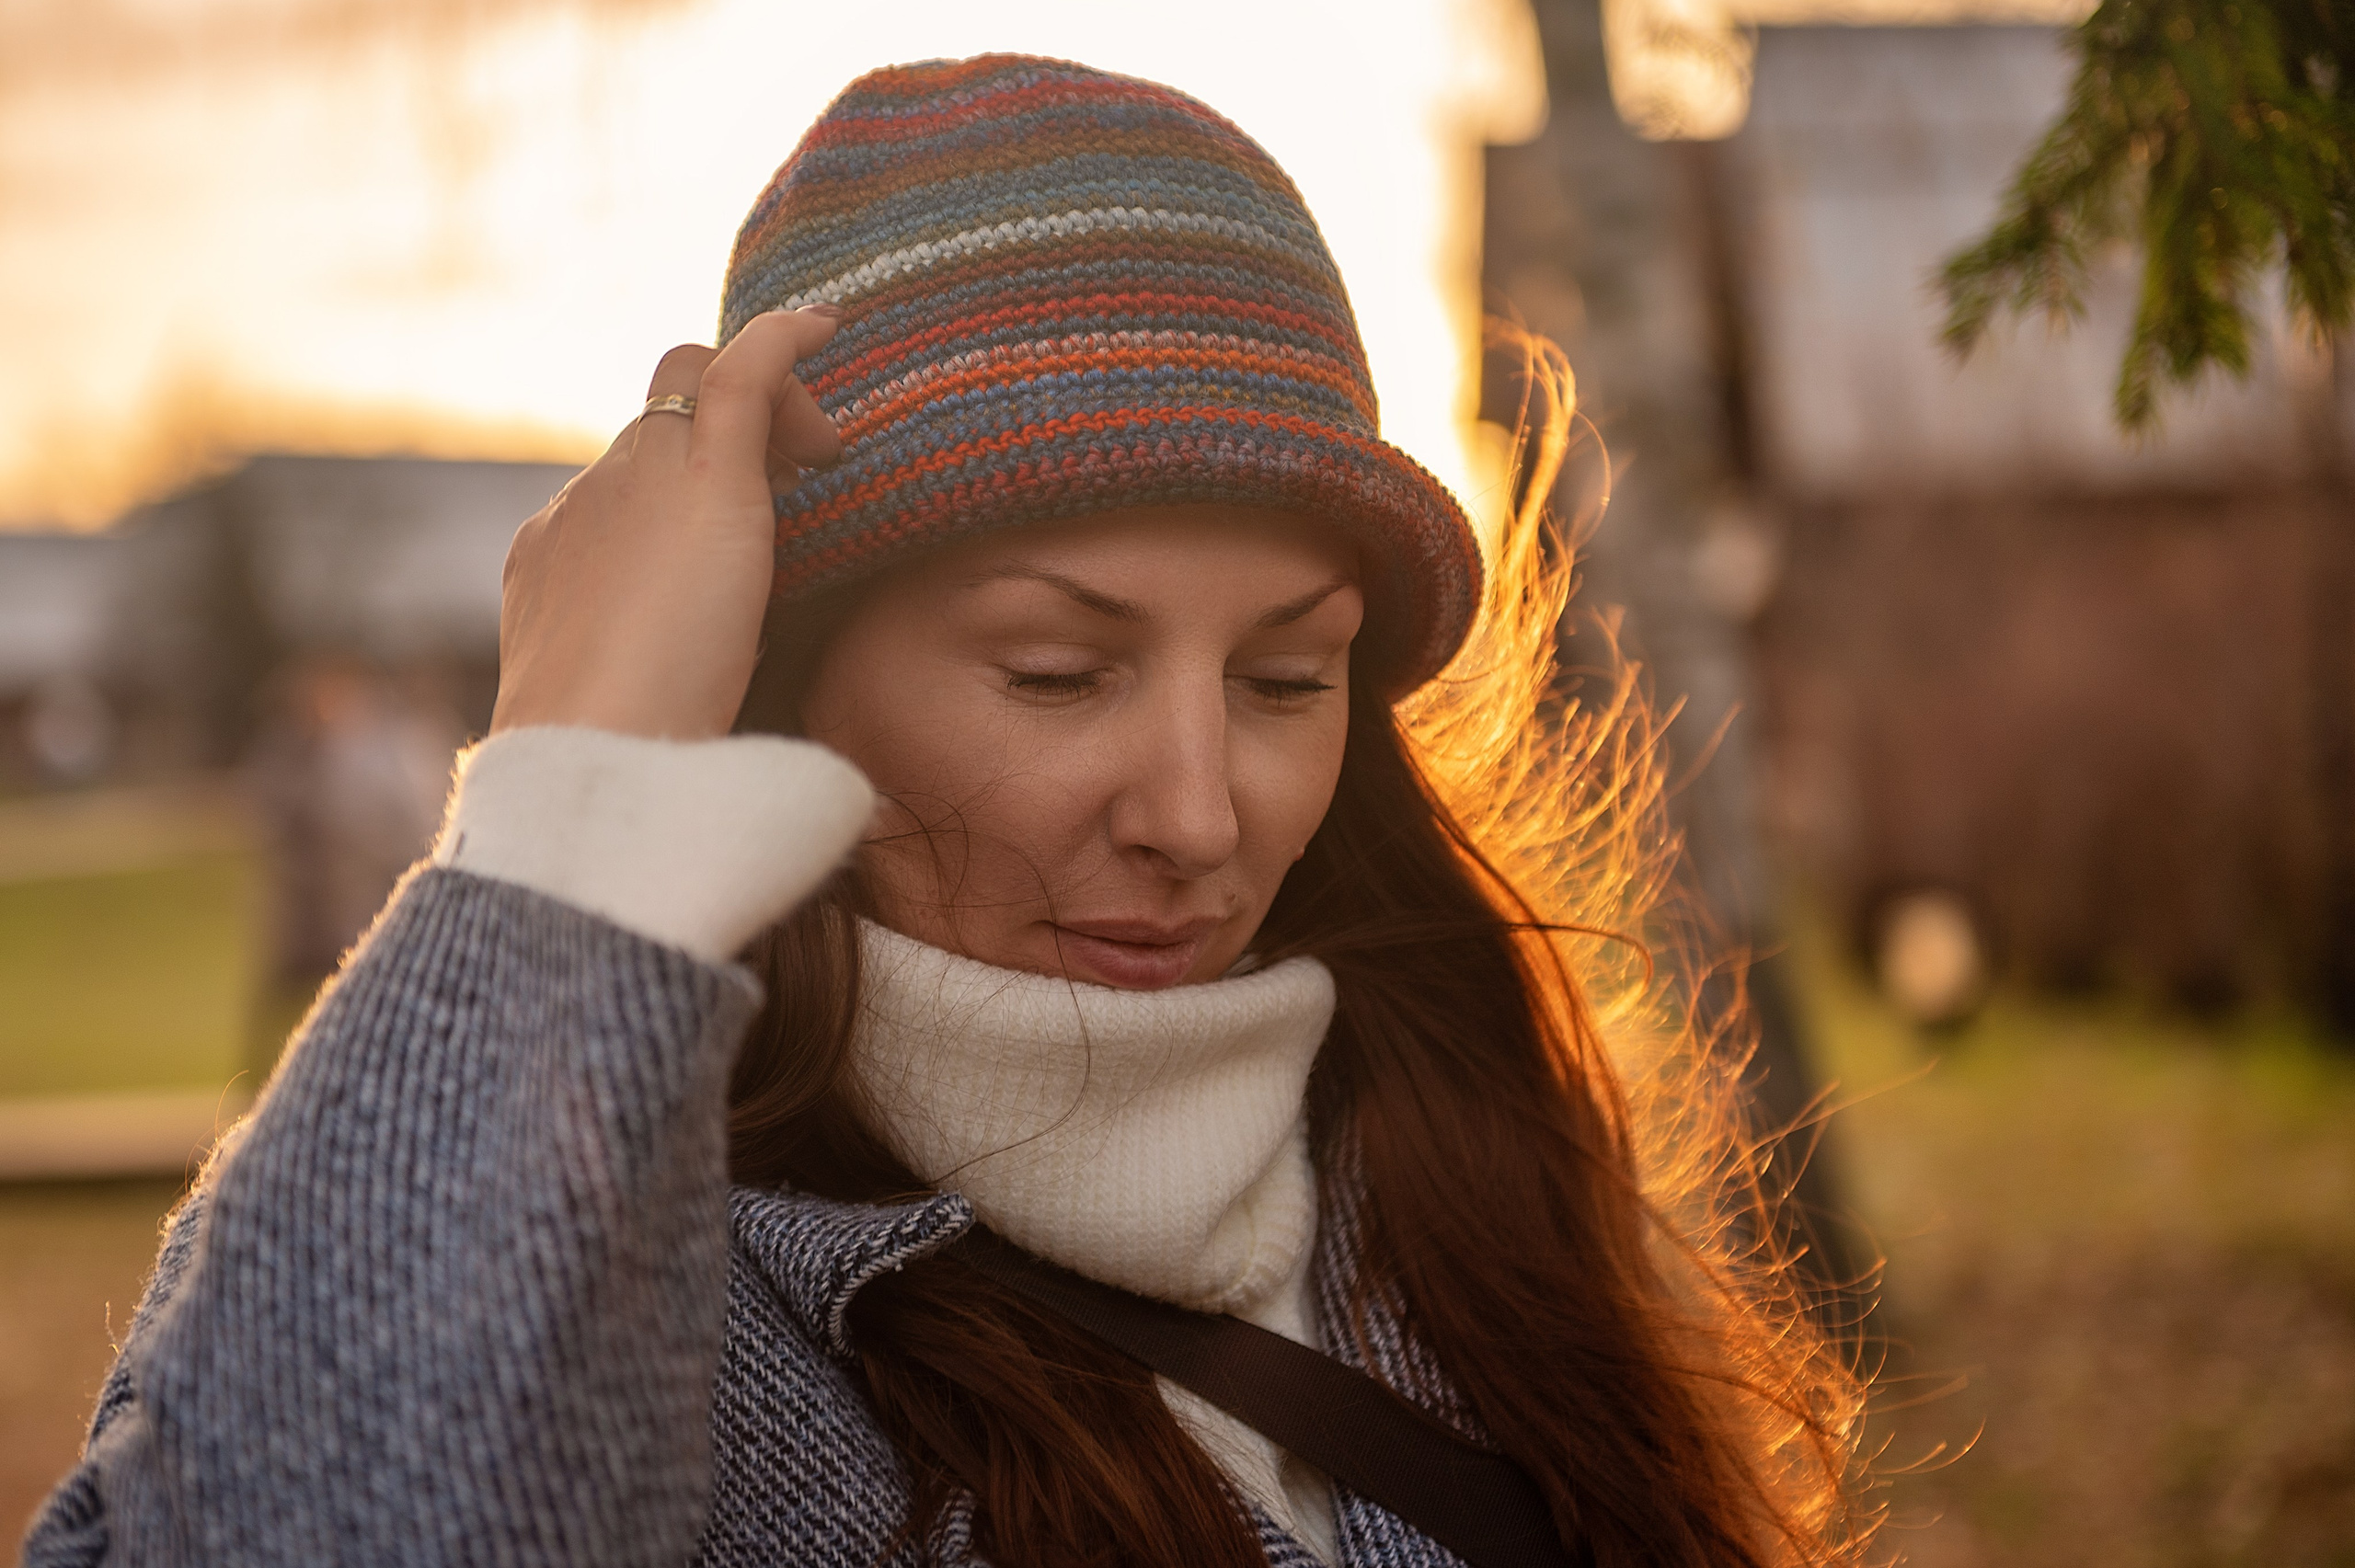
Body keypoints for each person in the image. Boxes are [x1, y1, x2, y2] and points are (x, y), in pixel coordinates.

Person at [25, 54, 1867, 1568]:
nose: (1197, 814)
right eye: (1057, 673)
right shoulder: (589, 1285)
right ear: (783, 673)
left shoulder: (1466, 1167)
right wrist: (574, 780)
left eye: (1285, 678)